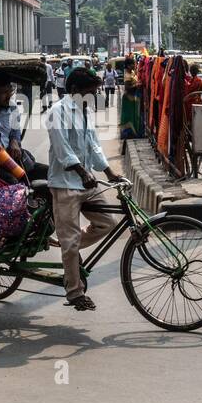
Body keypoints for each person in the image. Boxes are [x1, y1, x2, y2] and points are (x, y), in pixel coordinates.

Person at [46, 68, 122, 311]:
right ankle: (74, 293)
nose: (94, 96)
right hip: (65, 184)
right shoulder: (56, 113)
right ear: (75, 91)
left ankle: (71, 248)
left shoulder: (85, 111)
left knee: (107, 224)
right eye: (90, 91)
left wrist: (109, 172)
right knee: (70, 241)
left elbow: (93, 145)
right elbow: (62, 149)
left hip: (87, 183)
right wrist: (82, 172)